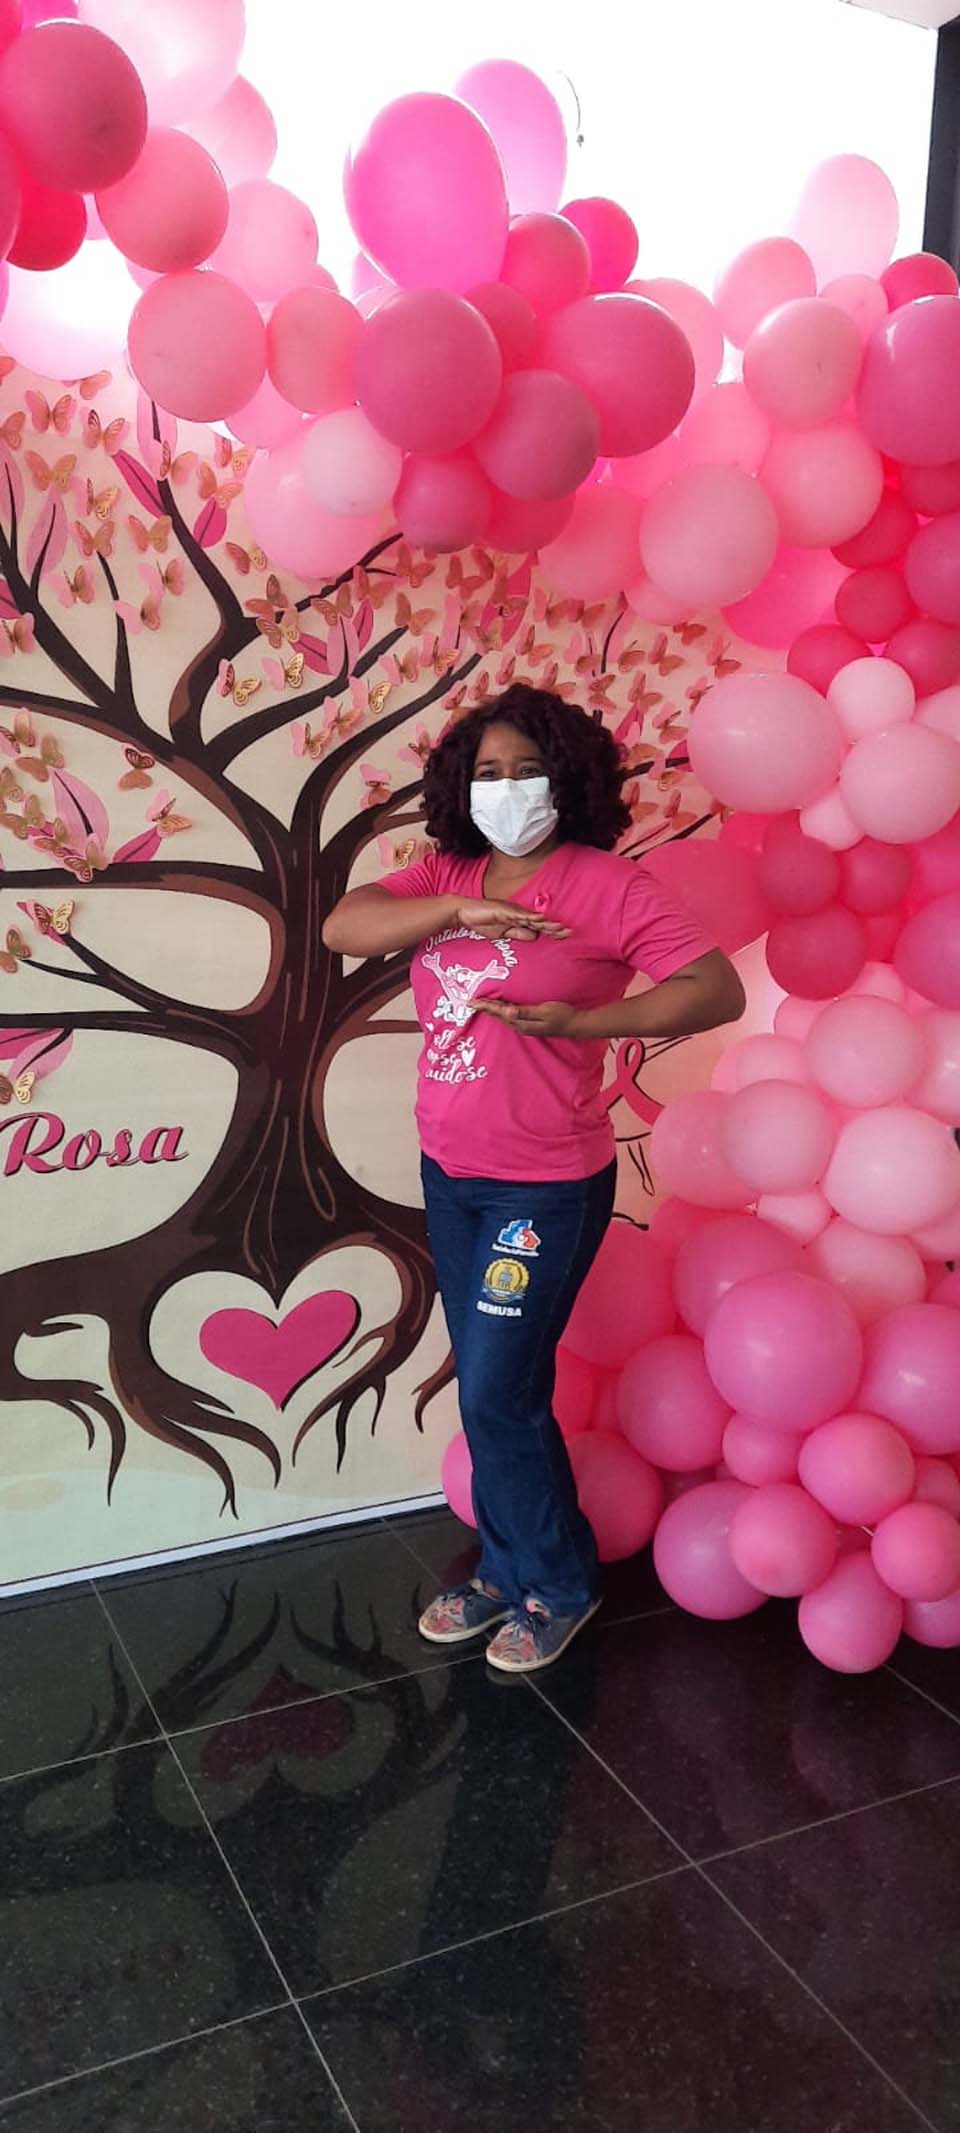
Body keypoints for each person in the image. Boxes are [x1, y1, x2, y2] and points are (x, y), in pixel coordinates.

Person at [323, 684, 745, 1673]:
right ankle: (509, 1568)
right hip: (452, 1174)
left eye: (528, 771)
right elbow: (346, 925)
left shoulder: (609, 887)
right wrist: (458, 906)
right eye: (488, 772)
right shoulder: (450, 869)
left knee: (494, 1391)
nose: (507, 789)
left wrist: (588, 1023)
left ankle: (557, 1583)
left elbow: (715, 988)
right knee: (494, 1386)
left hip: (543, 1189)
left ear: (569, 780)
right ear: (460, 785)